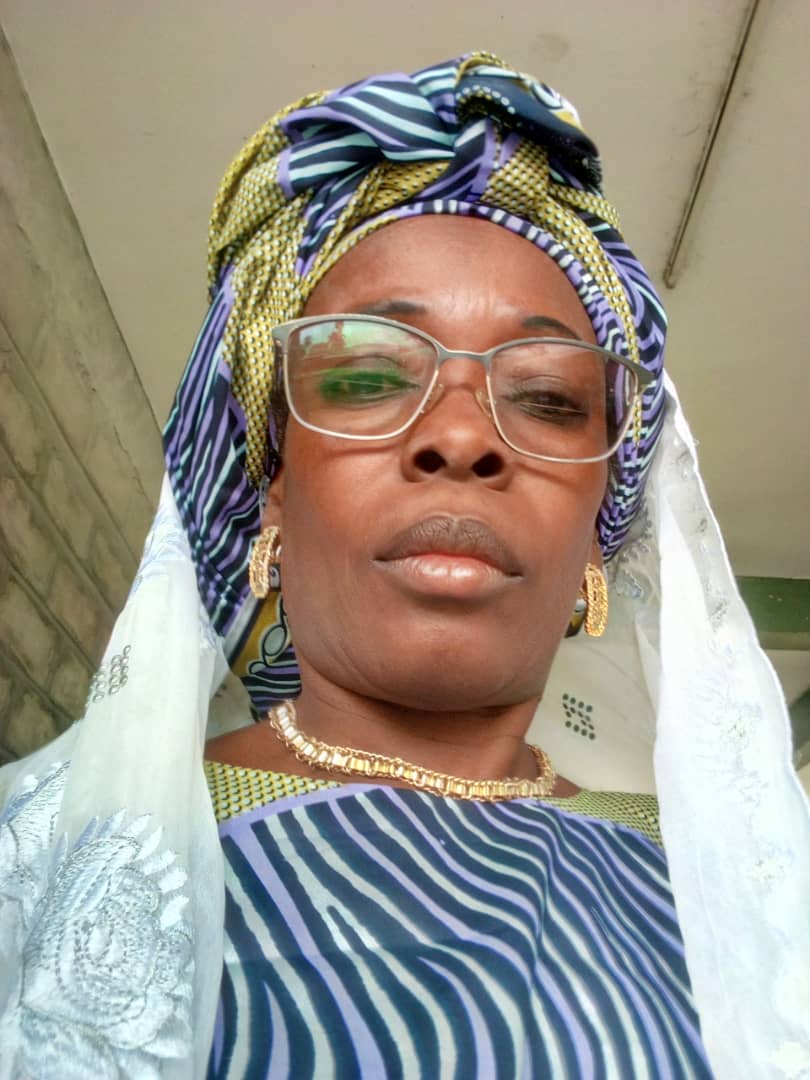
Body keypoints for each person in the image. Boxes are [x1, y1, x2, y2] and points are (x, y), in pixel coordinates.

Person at [0, 52, 807, 1079]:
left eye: (548, 398)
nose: (463, 437)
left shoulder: (742, 902)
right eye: (368, 375)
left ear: (600, 529)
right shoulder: (41, 870)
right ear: (274, 490)